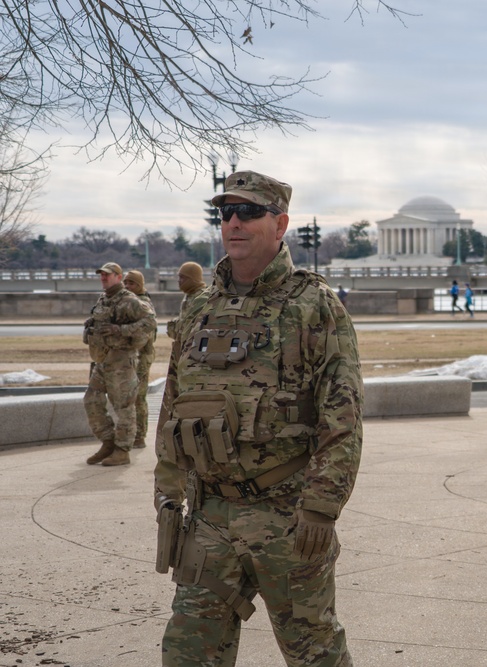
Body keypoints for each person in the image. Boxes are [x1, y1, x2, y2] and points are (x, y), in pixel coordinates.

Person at [154, 170, 363, 666]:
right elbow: (173, 403)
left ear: (281, 223)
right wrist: (168, 491)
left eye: (249, 212)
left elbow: (343, 415)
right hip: (209, 517)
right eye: (225, 213)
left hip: (287, 516)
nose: (234, 222)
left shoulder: (314, 305)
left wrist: (321, 506)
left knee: (313, 650)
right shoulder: (199, 308)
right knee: (187, 651)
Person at [82, 262, 154, 467]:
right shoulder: (104, 299)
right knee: (91, 400)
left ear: (118, 277)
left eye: (108, 275)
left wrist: (120, 330)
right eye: (102, 275)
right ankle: (108, 442)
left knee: (124, 407)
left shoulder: (130, 300)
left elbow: (150, 322)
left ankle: (122, 450)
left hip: (121, 360)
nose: (104, 278)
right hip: (103, 360)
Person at [122, 270, 159, 449]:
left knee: (139, 397)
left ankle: (140, 436)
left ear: (140, 285)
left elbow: (142, 334)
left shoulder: (142, 304)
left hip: (141, 357)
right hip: (132, 357)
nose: (128, 286)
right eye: (126, 283)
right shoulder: (131, 302)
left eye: (132, 283)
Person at [167, 262, 208, 342]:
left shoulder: (202, 298)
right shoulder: (190, 295)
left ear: (192, 279)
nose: (179, 281)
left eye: (182, 277)